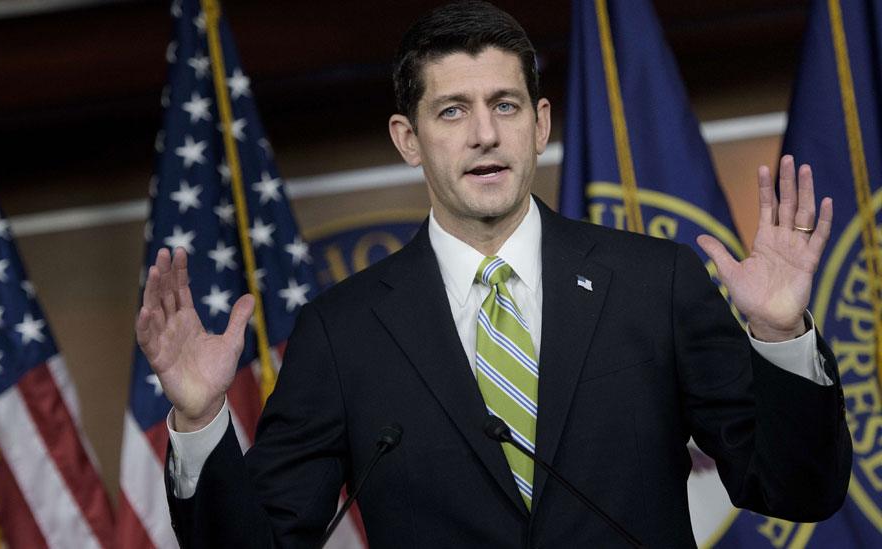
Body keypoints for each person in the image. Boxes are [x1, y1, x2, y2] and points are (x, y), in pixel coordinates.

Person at [135, 2, 852, 546]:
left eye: (504, 105)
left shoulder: (653, 283)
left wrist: (783, 333)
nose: (485, 133)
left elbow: (799, 488)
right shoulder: (342, 333)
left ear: (540, 124)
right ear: (408, 139)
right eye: (453, 111)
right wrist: (200, 419)